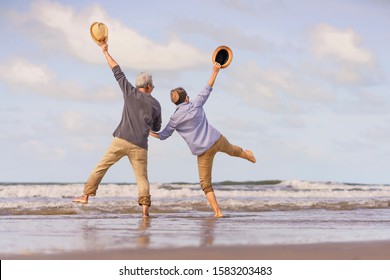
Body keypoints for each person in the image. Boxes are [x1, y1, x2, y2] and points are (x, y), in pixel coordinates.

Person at [149, 63, 256, 218]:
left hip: (203, 151)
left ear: (175, 103)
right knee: (233, 150)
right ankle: (249, 157)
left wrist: (148, 132)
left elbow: (163, 136)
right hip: (216, 139)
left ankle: (218, 212)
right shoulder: (196, 103)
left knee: (206, 184)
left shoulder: (175, 118)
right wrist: (215, 70)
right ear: (186, 98)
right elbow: (209, 86)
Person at [73, 42, 162, 218]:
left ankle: (86, 196)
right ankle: (145, 211)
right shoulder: (156, 104)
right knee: (142, 179)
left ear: (139, 85)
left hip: (121, 139)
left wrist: (105, 52)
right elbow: (157, 127)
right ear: (149, 86)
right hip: (140, 146)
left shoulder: (129, 92)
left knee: (101, 167)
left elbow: (117, 71)